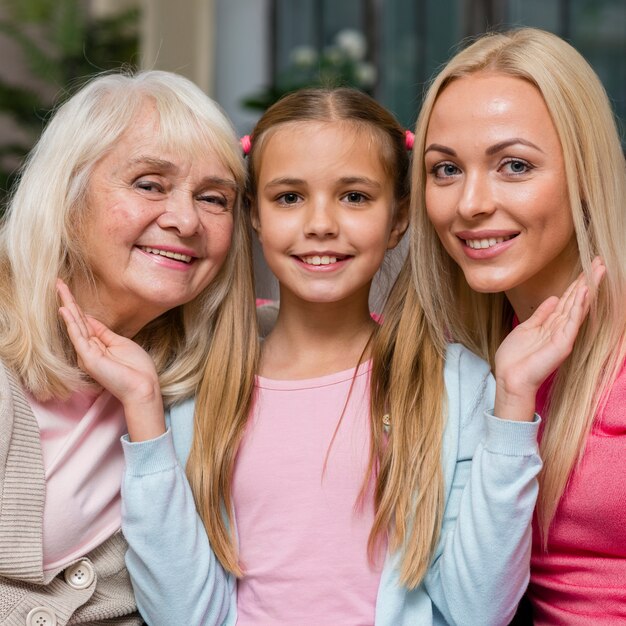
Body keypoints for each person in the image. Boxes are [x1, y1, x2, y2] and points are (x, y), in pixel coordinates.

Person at [60, 87, 594, 626]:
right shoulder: (196, 394)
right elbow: (180, 615)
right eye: (289, 197)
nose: (321, 223)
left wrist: (514, 405)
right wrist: (146, 414)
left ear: (399, 219)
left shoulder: (457, 384)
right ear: (254, 216)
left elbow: (477, 611)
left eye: (355, 197)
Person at [0, 69, 256, 624]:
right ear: (66, 193)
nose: (186, 220)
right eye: (149, 184)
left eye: (214, 199)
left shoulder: (215, 363)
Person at [397, 27, 625, 624]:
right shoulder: (453, 362)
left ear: (585, 171)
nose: (470, 203)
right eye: (445, 170)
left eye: (514, 165)